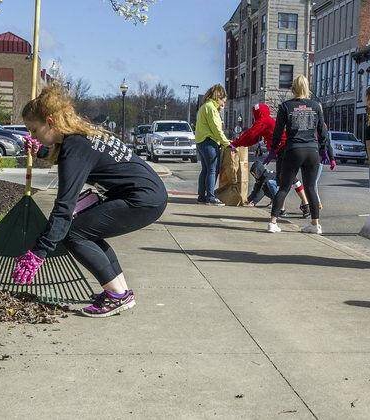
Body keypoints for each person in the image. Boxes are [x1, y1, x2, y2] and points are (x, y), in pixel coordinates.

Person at [13, 85, 168, 317]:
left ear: (50, 121)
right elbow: (79, 161)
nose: (33, 136)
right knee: (88, 231)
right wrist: (41, 152)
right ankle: (121, 290)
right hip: (148, 194)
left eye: (34, 130)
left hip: (142, 199)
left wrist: (39, 252)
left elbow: (64, 207)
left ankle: (117, 296)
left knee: (74, 233)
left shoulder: (75, 148)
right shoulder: (82, 136)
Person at [268, 74, 335, 234]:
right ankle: (315, 224)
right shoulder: (316, 106)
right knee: (311, 187)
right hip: (312, 150)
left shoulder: (285, 106)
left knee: (284, 187)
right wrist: (325, 150)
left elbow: (278, 131)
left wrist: (273, 149)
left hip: (294, 149)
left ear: (293, 88)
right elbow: (322, 131)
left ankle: (273, 222)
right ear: (307, 88)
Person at [232, 102, 311, 218]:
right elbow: (254, 138)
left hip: (284, 150)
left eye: (255, 113)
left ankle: (297, 206)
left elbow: (250, 135)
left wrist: (235, 143)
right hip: (287, 149)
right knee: (288, 178)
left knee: (285, 179)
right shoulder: (268, 121)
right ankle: (299, 205)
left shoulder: (263, 121)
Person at [194, 84, 233, 206]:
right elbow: (216, 129)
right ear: (218, 97)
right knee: (212, 169)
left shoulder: (204, 107)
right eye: (223, 101)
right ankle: (211, 197)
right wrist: (226, 143)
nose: (223, 105)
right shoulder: (211, 108)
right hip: (209, 142)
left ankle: (201, 196)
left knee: (205, 170)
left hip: (200, 142)